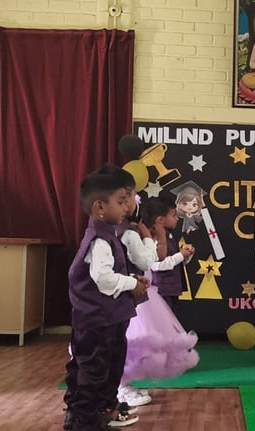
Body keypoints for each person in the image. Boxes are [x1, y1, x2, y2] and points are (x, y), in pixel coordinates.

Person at [63, 169, 149, 431]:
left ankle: (99, 410)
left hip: (105, 318)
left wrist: (131, 279)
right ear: (100, 207)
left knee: (103, 366)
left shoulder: (106, 234)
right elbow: (102, 278)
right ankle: (85, 420)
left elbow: (107, 274)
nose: (127, 207)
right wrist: (132, 284)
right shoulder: (99, 239)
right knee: (95, 371)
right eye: (121, 201)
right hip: (98, 320)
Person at [122, 196, 199, 390]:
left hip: (160, 290)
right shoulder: (146, 237)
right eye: (173, 215)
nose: (177, 218)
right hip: (151, 290)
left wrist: (183, 256)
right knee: (145, 331)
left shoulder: (166, 236)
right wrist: (179, 255)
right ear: (160, 220)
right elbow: (156, 263)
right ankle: (136, 368)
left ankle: (160, 361)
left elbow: (163, 258)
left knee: (160, 331)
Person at [105, 166, 159, 408]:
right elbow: (146, 261)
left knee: (115, 341)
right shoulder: (129, 233)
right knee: (118, 343)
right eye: (128, 199)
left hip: (112, 297)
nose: (133, 203)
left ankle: (115, 387)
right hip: (119, 298)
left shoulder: (106, 230)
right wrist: (147, 236)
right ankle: (120, 388)